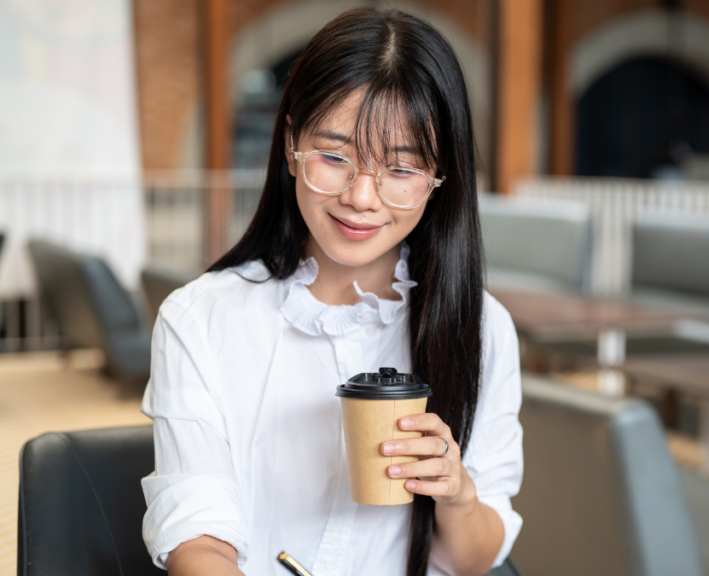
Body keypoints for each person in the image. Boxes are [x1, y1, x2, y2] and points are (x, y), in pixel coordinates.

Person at [140, 8, 523, 576]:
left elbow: (474, 561)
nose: (361, 198)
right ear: (291, 143)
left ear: (439, 179)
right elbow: (198, 546)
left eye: (401, 170)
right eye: (335, 157)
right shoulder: (200, 319)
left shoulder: (483, 328)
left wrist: (457, 494)